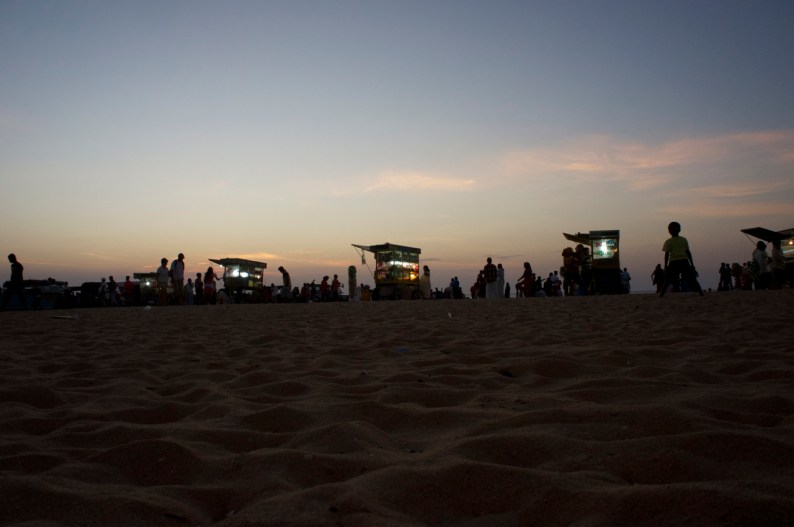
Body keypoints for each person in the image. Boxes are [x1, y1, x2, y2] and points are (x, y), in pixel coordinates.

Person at [659, 221, 703, 297]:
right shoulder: (684, 240)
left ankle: (661, 294)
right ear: (679, 230)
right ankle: (701, 293)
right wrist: (692, 264)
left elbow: (667, 255)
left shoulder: (668, 241)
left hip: (674, 262)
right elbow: (688, 253)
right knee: (692, 279)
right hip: (684, 261)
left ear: (669, 231)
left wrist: (666, 266)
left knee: (667, 280)